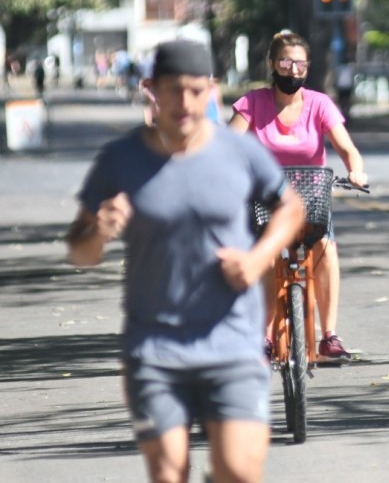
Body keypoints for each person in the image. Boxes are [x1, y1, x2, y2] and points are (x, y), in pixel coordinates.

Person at [66, 39, 306, 483]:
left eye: (197, 90)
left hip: (232, 343)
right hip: (155, 348)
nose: (185, 102)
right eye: (173, 89)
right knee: (169, 473)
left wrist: (257, 260)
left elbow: (290, 208)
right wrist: (99, 229)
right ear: (152, 89)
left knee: (238, 470)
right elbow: (79, 252)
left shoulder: (240, 152)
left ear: (211, 90)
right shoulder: (120, 161)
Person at [229, 30, 368, 364]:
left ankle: (329, 335)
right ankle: (262, 335)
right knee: (265, 250)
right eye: (286, 62)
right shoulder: (252, 103)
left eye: (300, 64)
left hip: (310, 197)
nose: (293, 71)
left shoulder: (319, 103)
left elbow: (347, 148)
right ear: (272, 64)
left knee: (325, 247)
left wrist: (357, 171)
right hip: (264, 199)